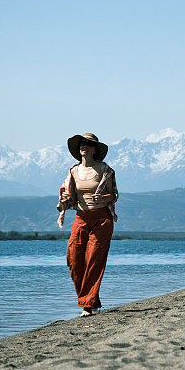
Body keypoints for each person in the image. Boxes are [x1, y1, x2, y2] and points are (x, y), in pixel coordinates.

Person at [56, 133, 119, 317]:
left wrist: (103, 197)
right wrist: (66, 199)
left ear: (94, 150)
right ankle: (89, 300)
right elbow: (69, 197)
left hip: (101, 219)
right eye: (82, 144)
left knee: (94, 260)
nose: (84, 146)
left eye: (88, 144)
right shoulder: (73, 171)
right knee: (73, 259)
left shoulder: (105, 170)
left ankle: (87, 306)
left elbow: (114, 194)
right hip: (81, 217)